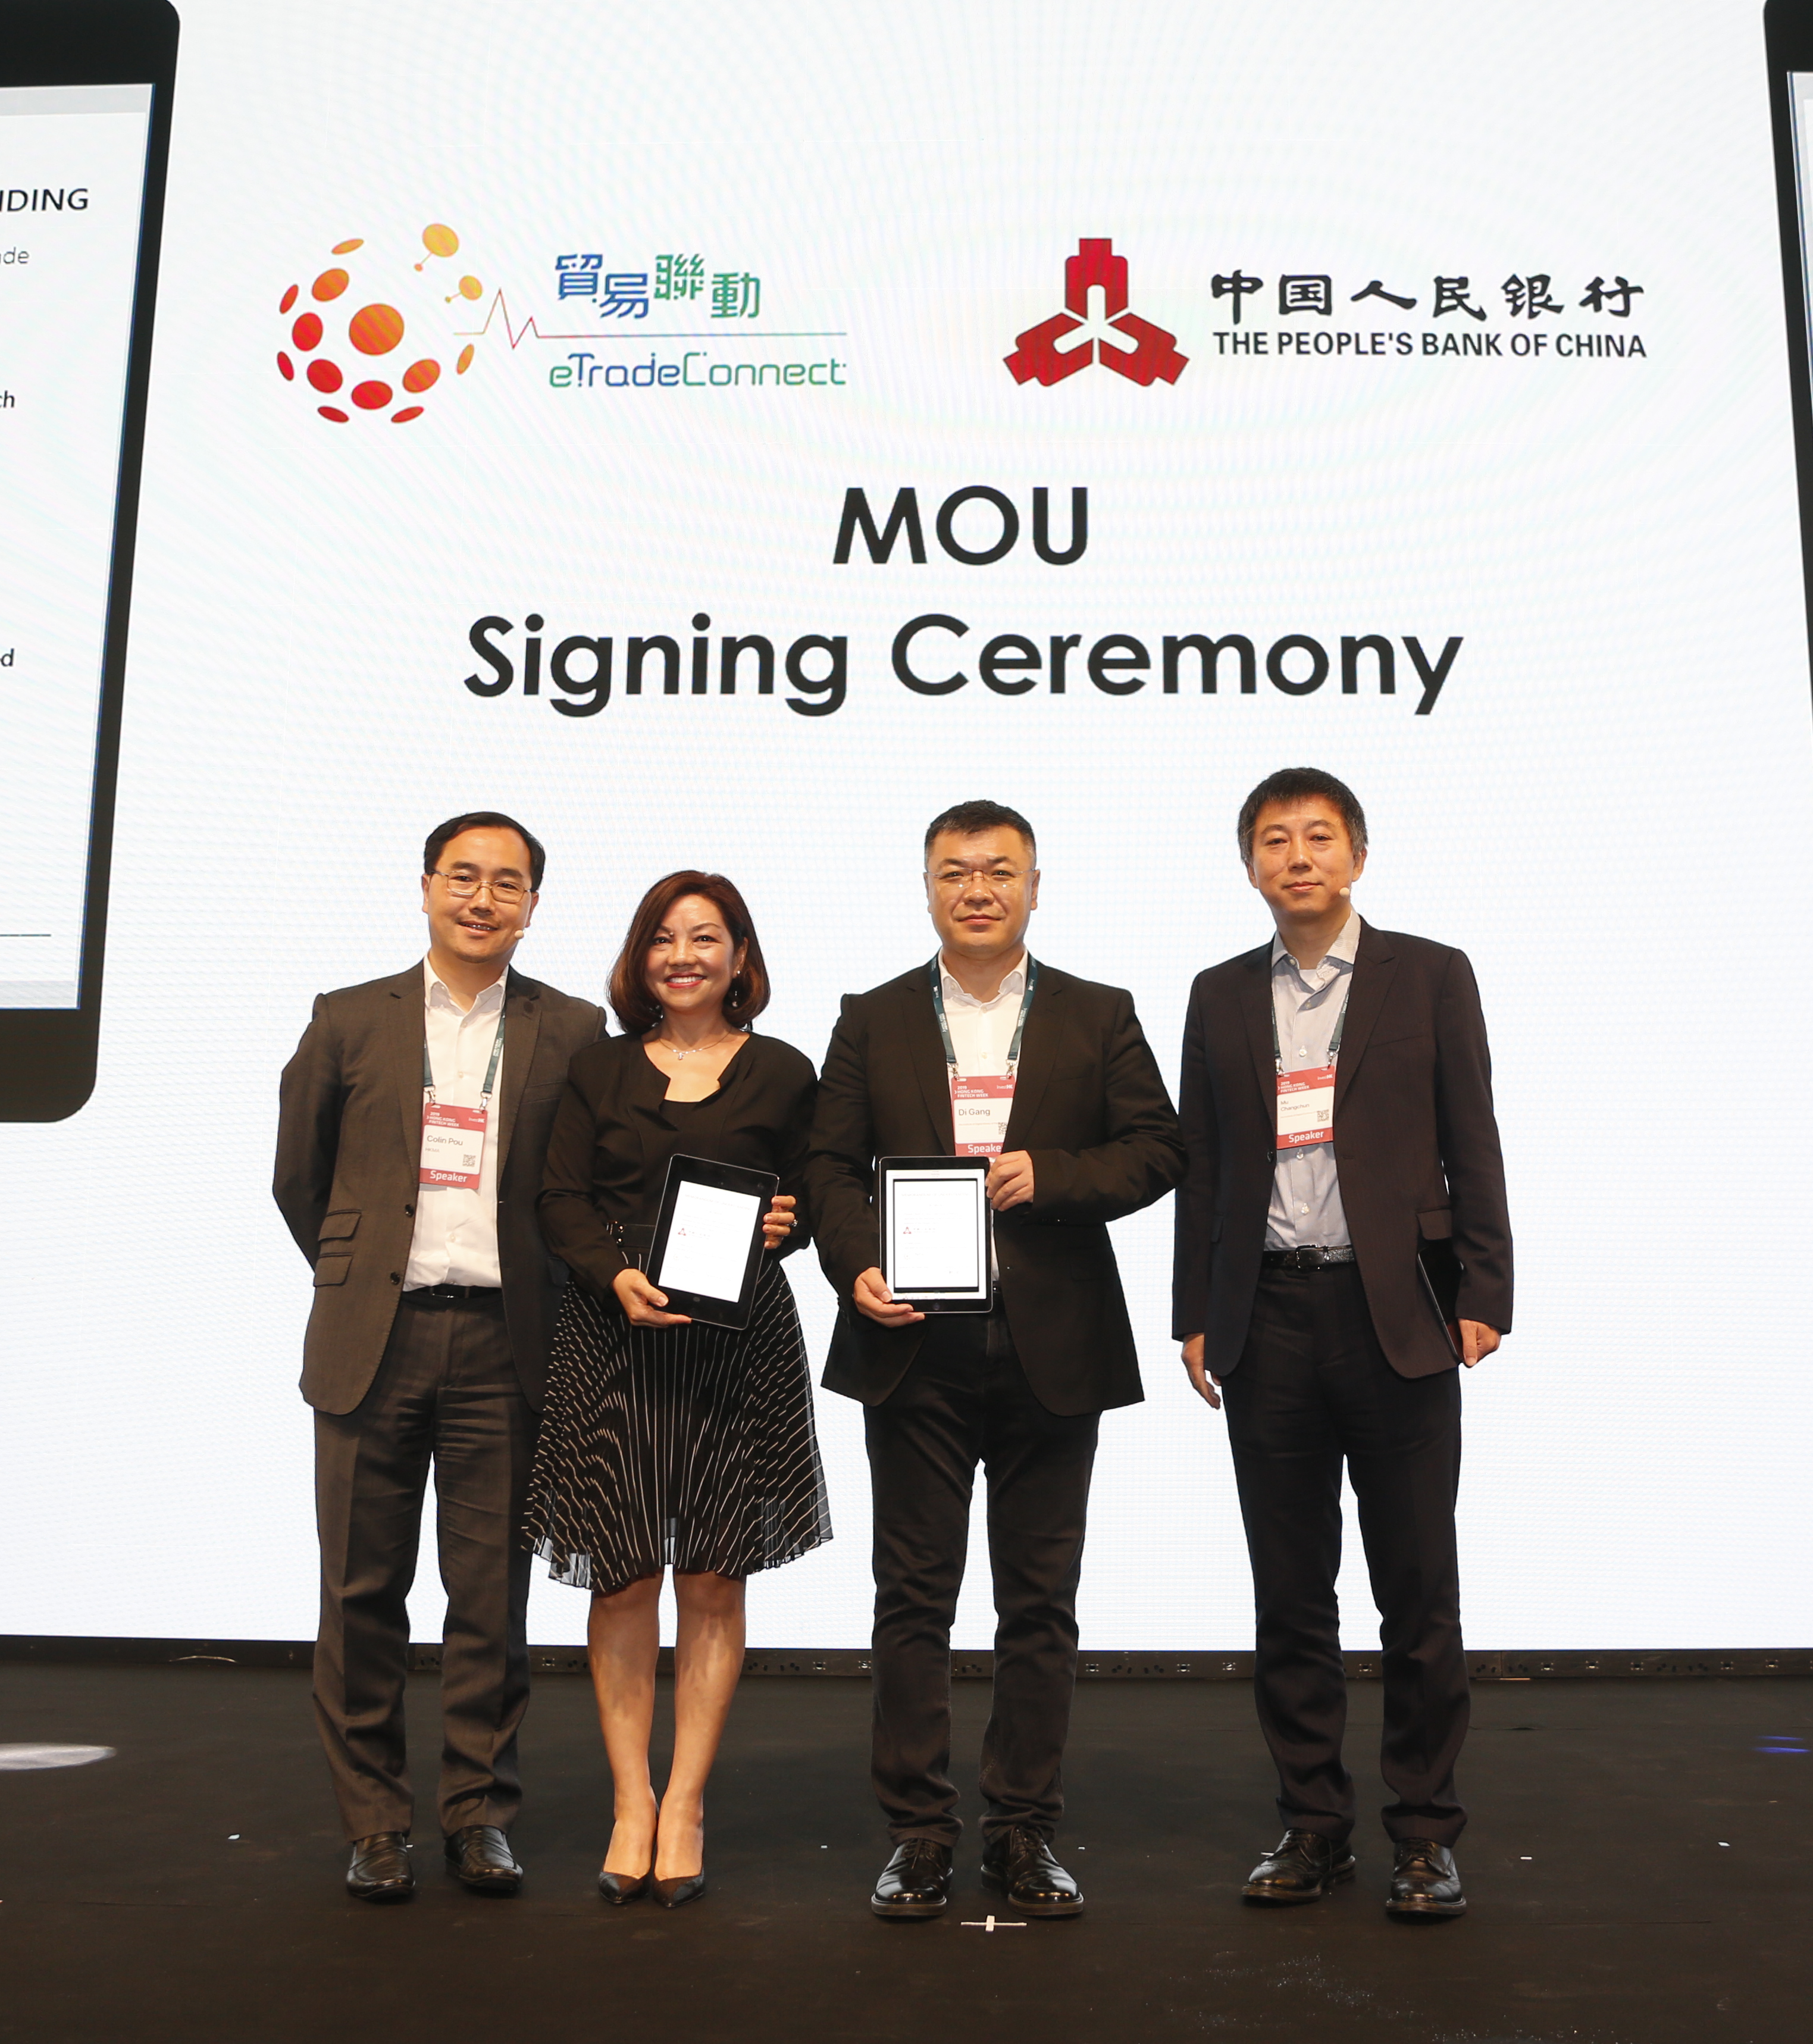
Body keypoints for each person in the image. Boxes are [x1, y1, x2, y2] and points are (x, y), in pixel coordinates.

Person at [809, 803, 1183, 1921]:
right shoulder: (871, 1018)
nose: (978, 889)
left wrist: (1051, 1175)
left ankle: (1025, 1832)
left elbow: (1160, 1147)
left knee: (1039, 1604)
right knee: (911, 1600)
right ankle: (919, 1835)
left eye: (999, 872)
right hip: (911, 1342)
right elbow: (827, 1166)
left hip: (1051, 1345)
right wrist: (854, 1263)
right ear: (926, 889)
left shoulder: (1097, 1012)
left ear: (1035, 886)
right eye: (955, 873)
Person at [1170, 769, 1513, 1921]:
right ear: (1252, 867)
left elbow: (1475, 1135)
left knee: (1418, 1591)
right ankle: (1312, 1825)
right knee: (1290, 1594)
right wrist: (1196, 1312)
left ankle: (1424, 1833)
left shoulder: (1431, 973)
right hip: (1265, 1317)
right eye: (1276, 840)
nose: (1298, 857)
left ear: (1357, 855)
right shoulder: (1219, 995)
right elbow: (1203, 1169)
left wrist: (1486, 1287)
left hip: (1398, 1314)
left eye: (1319, 837)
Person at [273, 811, 608, 1906]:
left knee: (489, 1598)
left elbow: (585, 1190)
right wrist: (360, 1272)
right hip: (378, 1336)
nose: (482, 898)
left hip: (510, 1342)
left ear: (532, 906)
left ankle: (476, 1816)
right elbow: (301, 1177)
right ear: (424, 888)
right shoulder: (346, 1019)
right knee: (360, 1592)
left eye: (506, 883)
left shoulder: (571, 1028)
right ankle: (375, 1824)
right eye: (463, 877)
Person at [528, 870, 828, 1907]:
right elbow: (558, 1197)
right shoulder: (597, 1069)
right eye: (664, 937)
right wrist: (613, 1276)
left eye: (708, 937)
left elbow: (817, 1194)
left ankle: (687, 1799)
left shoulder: (786, 1071)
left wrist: (794, 1224)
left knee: (709, 1579)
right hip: (612, 1339)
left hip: (733, 1350)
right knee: (620, 1579)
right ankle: (630, 1801)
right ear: (639, 958)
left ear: (741, 958)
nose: (685, 955)